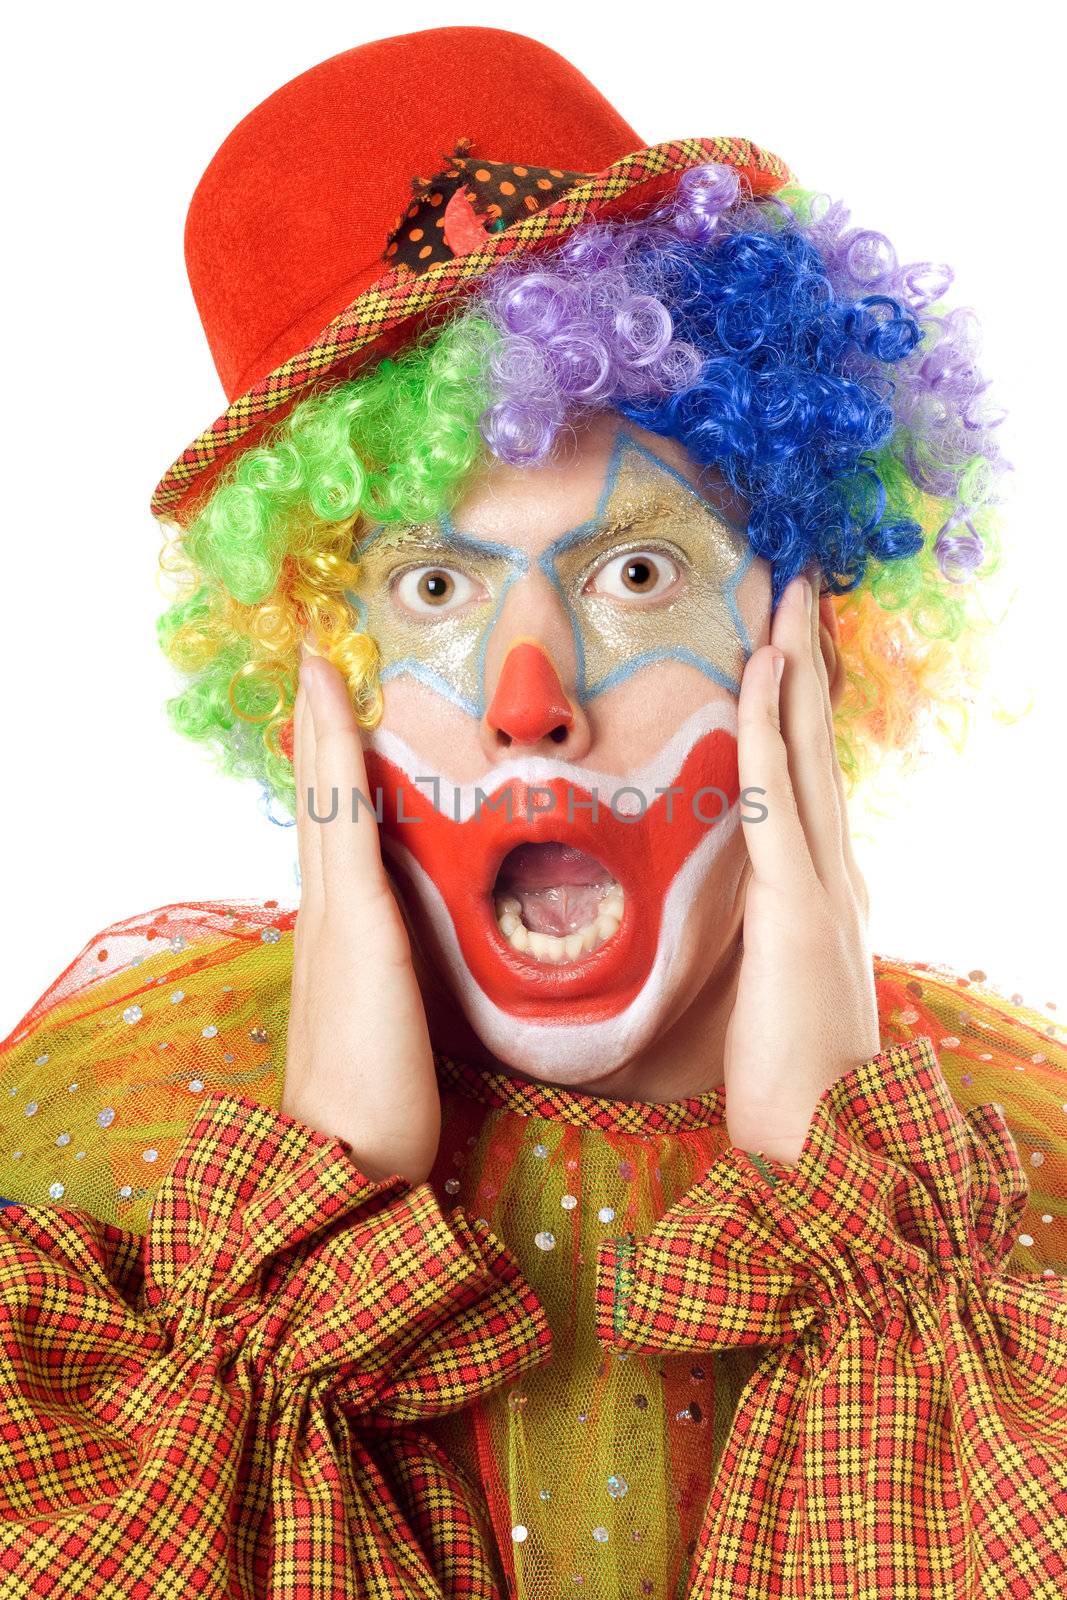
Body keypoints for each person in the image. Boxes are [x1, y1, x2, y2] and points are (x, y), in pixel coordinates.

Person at [0, 24, 1064, 1599]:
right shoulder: (105, 1211)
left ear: (812, 626)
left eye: (636, 572)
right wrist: (314, 1223)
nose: (527, 701)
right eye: (432, 587)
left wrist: (859, 1214)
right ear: (320, 680)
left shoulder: (1012, 1223)